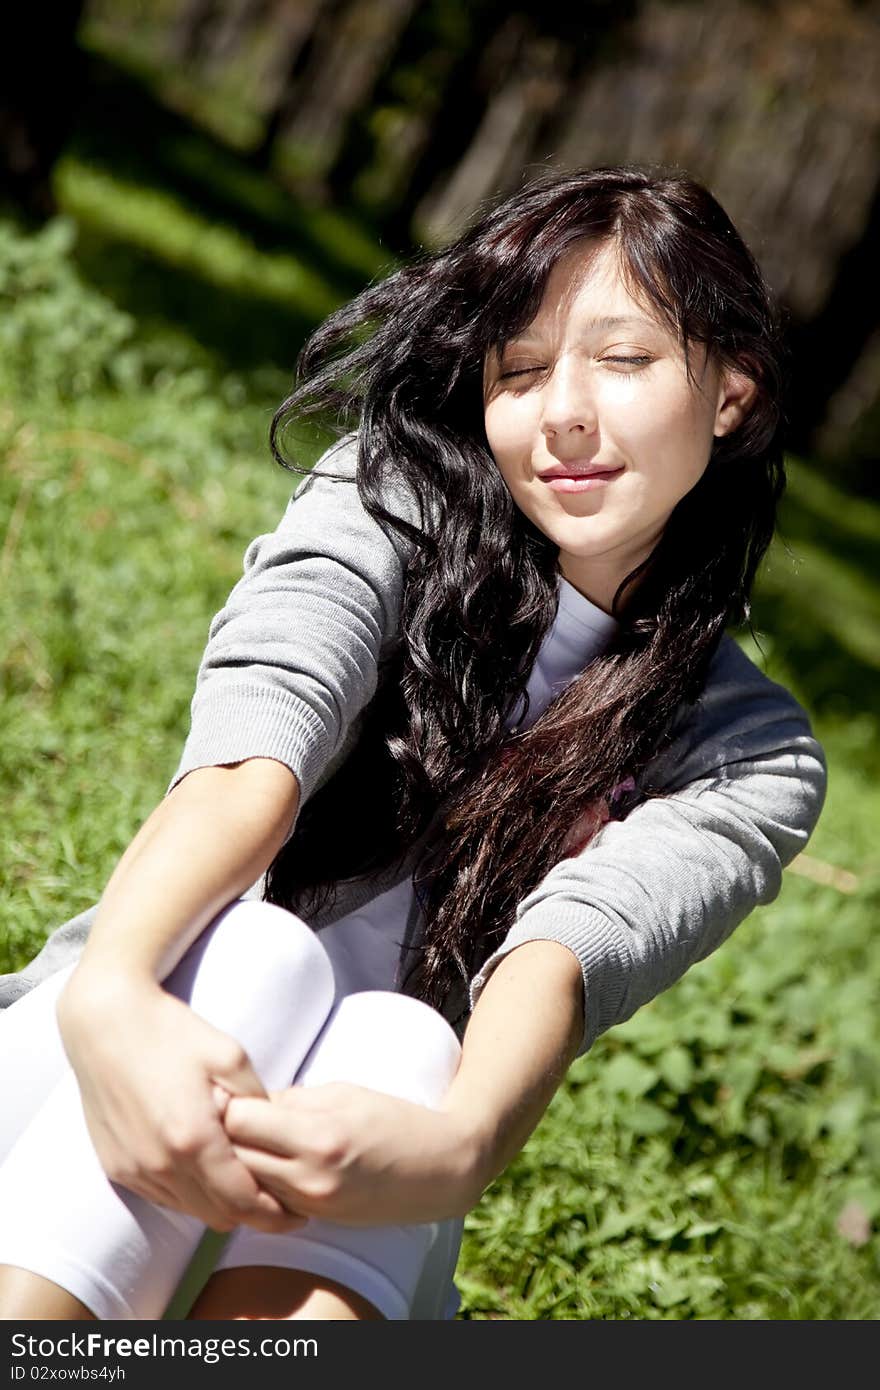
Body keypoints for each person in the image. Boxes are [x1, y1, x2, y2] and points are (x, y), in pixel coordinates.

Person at [0, 164, 827, 1322]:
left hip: (367, 1187)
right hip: (94, 1086)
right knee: (260, 956)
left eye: (623, 359)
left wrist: (457, 1148)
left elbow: (566, 951)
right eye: (520, 369)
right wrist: (110, 998)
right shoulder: (380, 505)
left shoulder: (752, 752)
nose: (564, 413)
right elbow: (254, 757)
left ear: (732, 392)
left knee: (407, 1042)